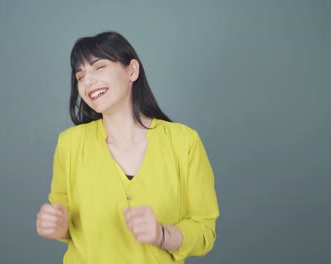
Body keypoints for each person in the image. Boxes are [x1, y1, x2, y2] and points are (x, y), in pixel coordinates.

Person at [36, 31, 219, 263]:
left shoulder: (185, 142)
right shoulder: (69, 144)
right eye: (80, 76)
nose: (87, 82)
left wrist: (160, 234)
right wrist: (57, 227)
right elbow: (67, 224)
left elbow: (204, 232)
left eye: (99, 67)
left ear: (131, 70)